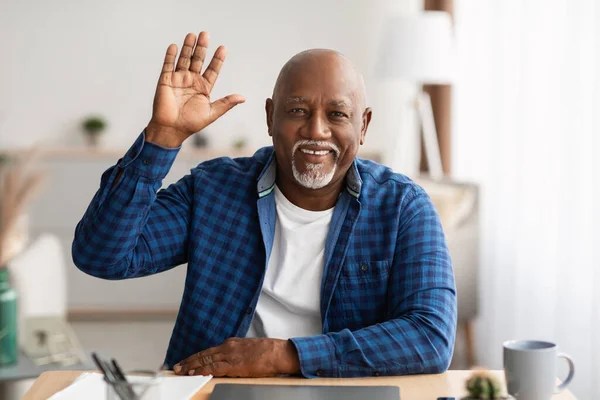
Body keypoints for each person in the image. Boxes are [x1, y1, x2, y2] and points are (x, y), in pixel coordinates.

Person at [72, 31, 456, 378]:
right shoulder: (214, 189)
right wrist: (162, 138)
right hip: (216, 390)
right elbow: (102, 255)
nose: (316, 130)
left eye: (337, 114)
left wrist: (283, 356)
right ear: (270, 116)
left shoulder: (403, 207)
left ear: (364, 125)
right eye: (297, 111)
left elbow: (430, 336)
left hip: (341, 389)